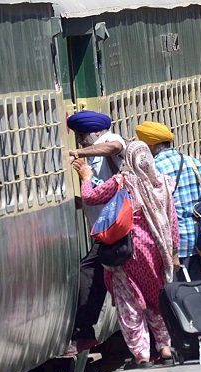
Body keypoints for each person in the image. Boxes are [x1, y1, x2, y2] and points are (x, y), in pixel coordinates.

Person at [72, 141, 179, 367]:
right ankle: (165, 348)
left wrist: (86, 176)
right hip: (158, 253)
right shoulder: (163, 185)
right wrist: (174, 254)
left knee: (129, 301)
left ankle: (142, 354)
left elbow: (91, 197)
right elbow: (173, 222)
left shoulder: (124, 181)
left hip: (130, 254)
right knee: (156, 300)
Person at [64, 110, 126, 356]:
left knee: (89, 273)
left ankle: (84, 333)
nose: (80, 141)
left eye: (81, 136)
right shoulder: (95, 154)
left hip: (118, 228)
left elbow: (111, 148)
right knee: (99, 277)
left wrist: (78, 155)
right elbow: (96, 196)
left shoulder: (114, 141)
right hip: (106, 230)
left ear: (93, 133)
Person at [135, 121, 201, 281]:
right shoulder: (194, 163)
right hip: (200, 242)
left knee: (177, 297)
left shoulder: (153, 170)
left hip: (172, 246)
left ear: (150, 146)